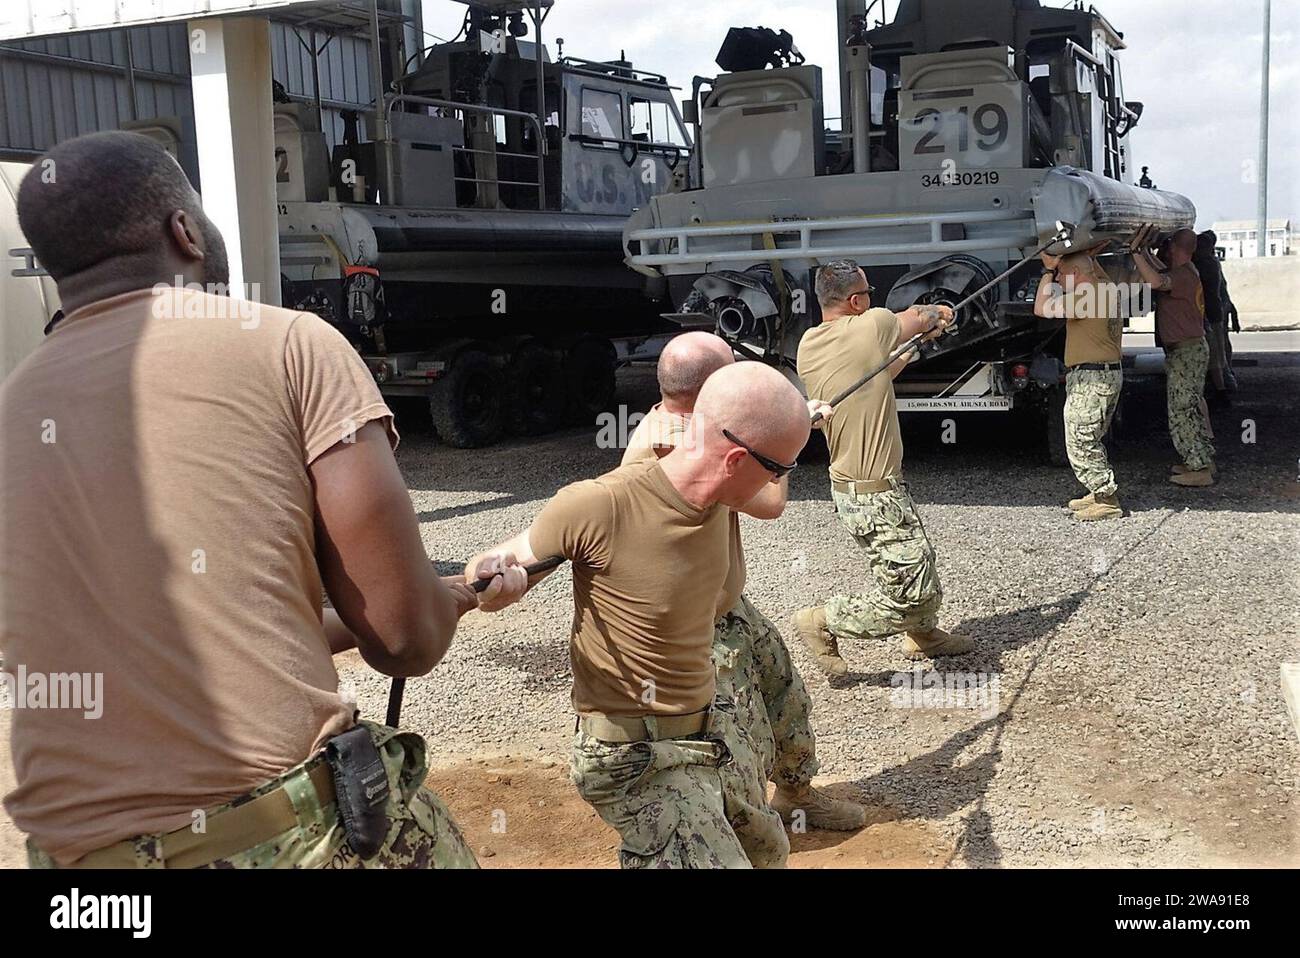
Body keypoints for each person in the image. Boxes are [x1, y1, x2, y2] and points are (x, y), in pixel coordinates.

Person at [1, 131, 486, 869]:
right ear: (184, 230)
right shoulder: (290, 345)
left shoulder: (12, 406)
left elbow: (193, 630)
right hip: (271, 834)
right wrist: (441, 599)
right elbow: (405, 639)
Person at [467, 362, 812, 868]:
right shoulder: (601, 505)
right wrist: (495, 577)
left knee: (767, 848)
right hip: (635, 757)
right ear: (736, 459)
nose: (779, 482)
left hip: (704, 733)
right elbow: (493, 569)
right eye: (779, 470)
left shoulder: (717, 497)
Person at [621, 332, 866, 831]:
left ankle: (795, 797)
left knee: (783, 693)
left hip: (726, 605)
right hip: (690, 624)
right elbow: (769, 503)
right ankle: (739, 837)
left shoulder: (689, 423)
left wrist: (785, 421)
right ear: (710, 387)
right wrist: (786, 436)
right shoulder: (673, 443)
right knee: (732, 735)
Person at [793, 260, 974, 676]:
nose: (872, 299)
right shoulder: (871, 323)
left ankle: (923, 635)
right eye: (868, 293)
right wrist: (940, 313)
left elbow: (877, 372)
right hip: (872, 491)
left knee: (917, 559)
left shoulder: (812, 342)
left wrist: (913, 347)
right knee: (911, 588)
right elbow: (923, 315)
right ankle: (822, 621)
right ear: (856, 301)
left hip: (865, 486)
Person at [1034, 245, 1126, 521]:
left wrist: (1048, 269)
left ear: (1075, 273)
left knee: (1080, 438)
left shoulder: (1085, 297)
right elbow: (1090, 267)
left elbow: (1040, 308)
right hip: (1104, 374)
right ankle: (1097, 491)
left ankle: (1107, 499)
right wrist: (1088, 252)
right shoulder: (1106, 288)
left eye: (1063, 275)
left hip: (1092, 378)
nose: (1060, 281)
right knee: (1092, 435)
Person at [1131, 226, 1217, 486]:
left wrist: (1135, 253)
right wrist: (1145, 251)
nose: (1166, 249)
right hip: (1189, 349)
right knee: (1189, 406)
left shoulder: (1182, 275)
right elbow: (1159, 271)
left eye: (1169, 245)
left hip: (1186, 352)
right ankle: (1202, 457)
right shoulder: (1186, 271)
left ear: (1175, 248)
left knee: (1181, 411)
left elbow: (1156, 281)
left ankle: (1199, 467)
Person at [1193, 230, 1234, 404]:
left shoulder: (1204, 264)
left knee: (1214, 356)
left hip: (1209, 314)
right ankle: (1225, 382)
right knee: (1219, 351)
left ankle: (1222, 389)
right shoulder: (1212, 262)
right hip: (1215, 312)